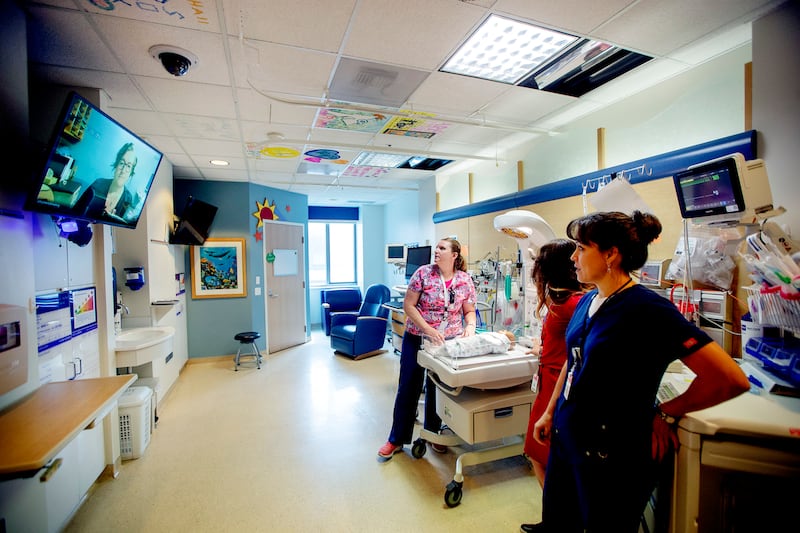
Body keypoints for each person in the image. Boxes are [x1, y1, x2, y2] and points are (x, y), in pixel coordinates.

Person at [524, 211, 749, 533]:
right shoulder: (588, 301)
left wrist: (667, 414)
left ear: (611, 254)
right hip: (568, 441)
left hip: (610, 456)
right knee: (560, 523)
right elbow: (574, 362)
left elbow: (729, 378)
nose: (573, 257)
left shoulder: (646, 309)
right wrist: (549, 412)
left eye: (581, 248)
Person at [378, 238, 478, 460]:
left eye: (442, 248)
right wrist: (427, 328)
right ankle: (396, 439)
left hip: (447, 342)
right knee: (408, 386)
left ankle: (434, 435)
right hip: (418, 338)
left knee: (438, 387)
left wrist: (470, 326)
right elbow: (408, 305)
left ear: (454, 255)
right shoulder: (423, 274)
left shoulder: (464, 280)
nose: (437, 251)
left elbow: (469, 310)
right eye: (437, 247)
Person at [522, 239, 587, 499]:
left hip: (557, 384)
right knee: (539, 452)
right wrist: (542, 348)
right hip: (548, 377)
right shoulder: (562, 301)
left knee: (541, 452)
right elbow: (563, 340)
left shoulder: (573, 304)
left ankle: (557, 517)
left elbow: (578, 348)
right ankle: (554, 516)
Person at [80, 142, 138, 221]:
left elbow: (120, 225)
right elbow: (77, 211)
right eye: (121, 163)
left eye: (128, 166)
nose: (123, 170)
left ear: (131, 173)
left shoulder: (128, 198)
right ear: (116, 164)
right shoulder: (98, 184)